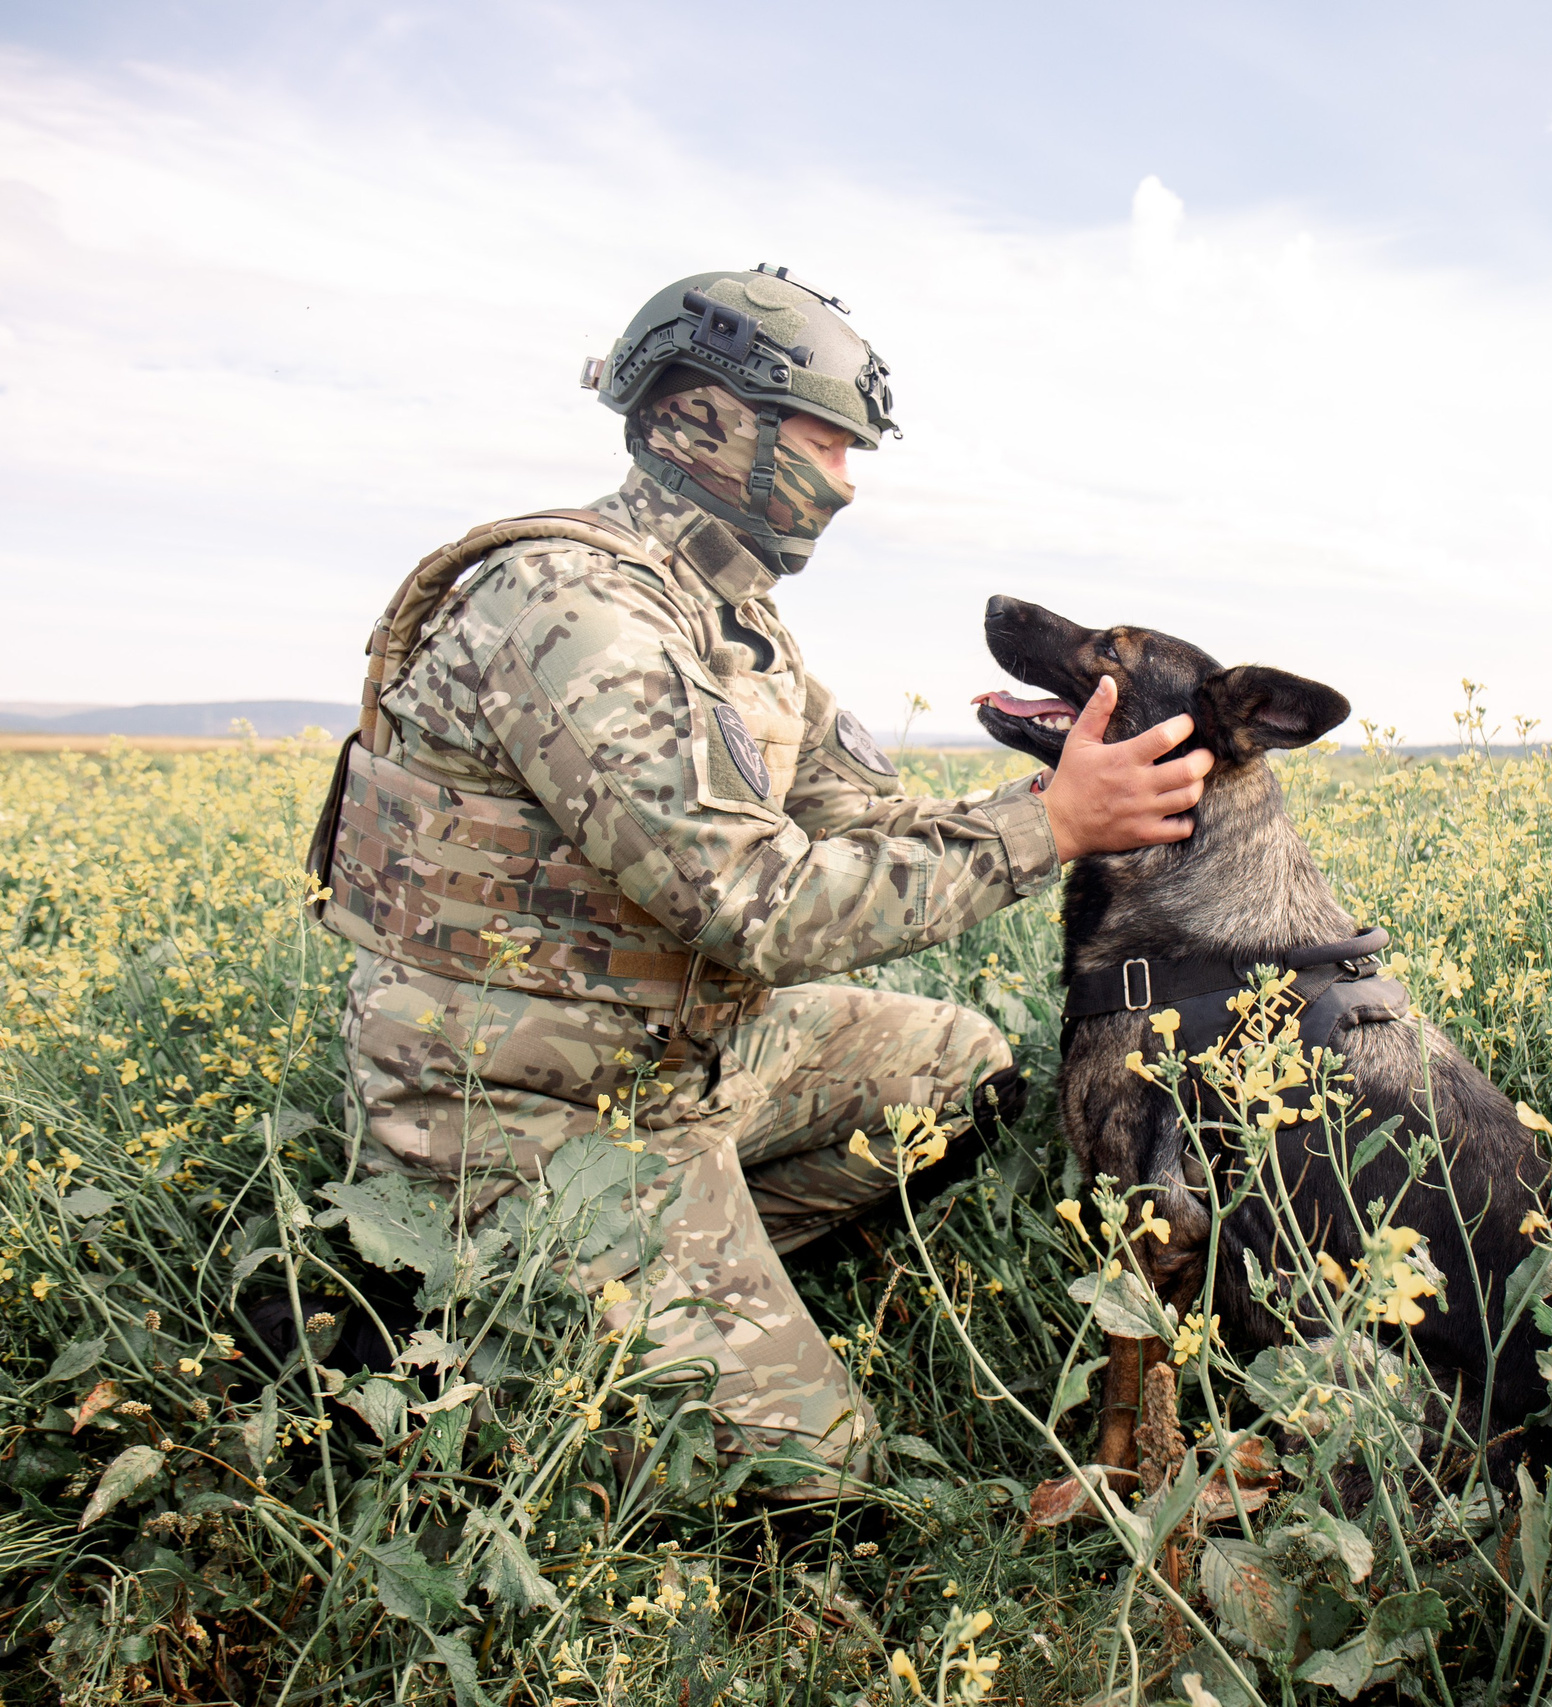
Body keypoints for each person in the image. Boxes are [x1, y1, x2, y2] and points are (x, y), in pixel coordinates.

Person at [313, 265, 1209, 1481]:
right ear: (704, 420)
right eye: (830, 441)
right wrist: (1047, 826)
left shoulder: (728, 618)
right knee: (815, 1480)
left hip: (678, 1071)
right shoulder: (578, 611)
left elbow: (867, 815)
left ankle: (680, 1291)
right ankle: (478, 1308)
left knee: (958, 1069)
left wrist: (1065, 791)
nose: (847, 480)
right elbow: (762, 905)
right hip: (526, 1116)